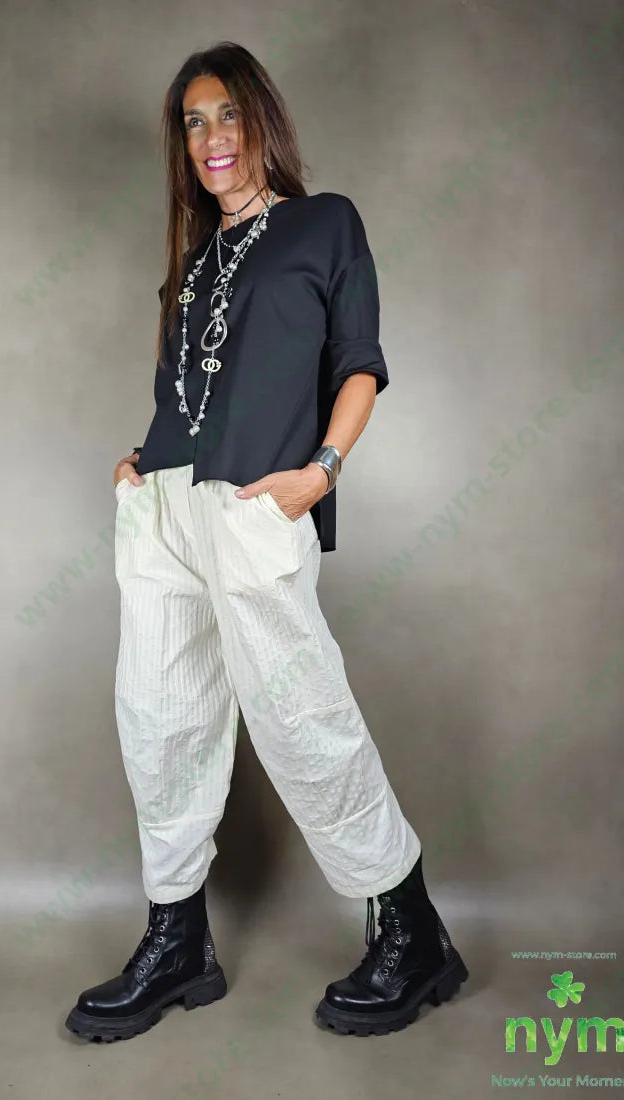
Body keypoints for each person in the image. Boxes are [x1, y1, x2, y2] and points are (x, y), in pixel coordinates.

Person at [65, 40, 468, 1044]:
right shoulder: (193, 261)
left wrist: (319, 472)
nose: (210, 138)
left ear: (261, 121)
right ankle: (178, 943)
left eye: (226, 115)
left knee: (300, 718)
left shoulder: (325, 224)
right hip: (164, 508)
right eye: (192, 123)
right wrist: (139, 461)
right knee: (159, 720)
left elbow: (359, 363)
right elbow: (187, 395)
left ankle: (411, 931)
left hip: (255, 505)